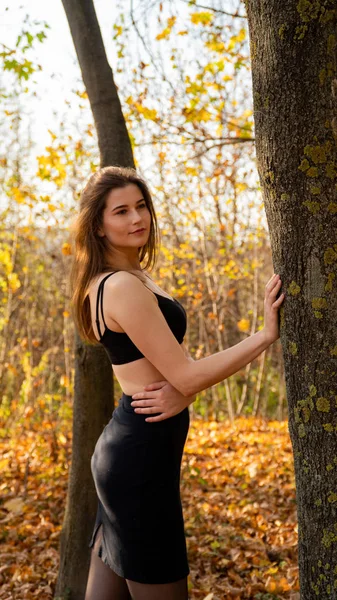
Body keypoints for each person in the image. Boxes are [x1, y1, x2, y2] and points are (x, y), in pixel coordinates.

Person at [69, 165, 285, 600]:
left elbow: (177, 375)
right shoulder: (122, 286)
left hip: (130, 452)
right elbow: (184, 373)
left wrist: (184, 389)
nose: (137, 219)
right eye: (121, 211)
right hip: (139, 462)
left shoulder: (111, 281)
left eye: (141, 206)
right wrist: (264, 336)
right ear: (98, 225)